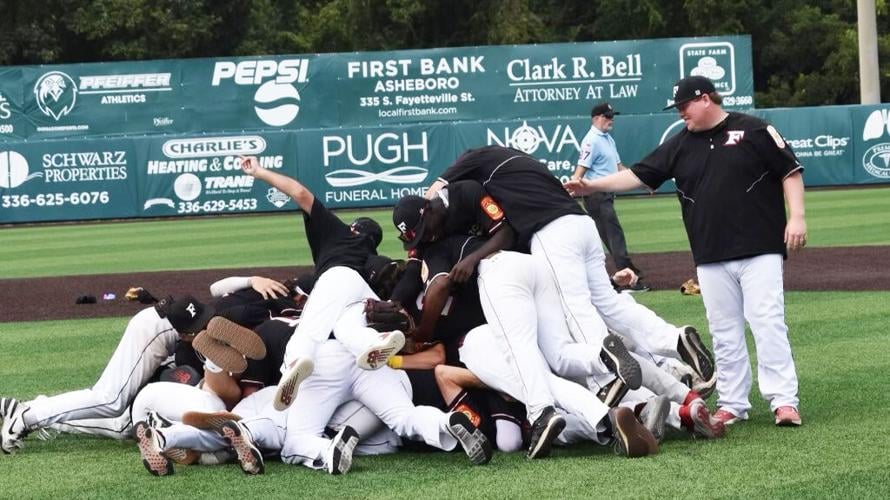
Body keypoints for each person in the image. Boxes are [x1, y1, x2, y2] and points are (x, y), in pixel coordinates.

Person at [565, 75, 806, 427]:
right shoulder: (680, 145)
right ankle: (733, 403)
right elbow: (636, 175)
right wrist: (590, 185)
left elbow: (789, 170)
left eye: (684, 105)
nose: (680, 113)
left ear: (706, 99)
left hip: (760, 248)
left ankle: (783, 400)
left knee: (767, 322)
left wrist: (797, 216)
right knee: (723, 330)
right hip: (709, 253)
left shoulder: (752, 130)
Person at [239, 156, 405, 411]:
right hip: (364, 293)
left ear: (353, 228)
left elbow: (300, 192)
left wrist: (260, 172)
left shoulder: (340, 233)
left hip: (338, 278)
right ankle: (373, 342)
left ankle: (293, 364)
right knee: (346, 328)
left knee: (309, 329)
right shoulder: (370, 254)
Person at [571, 102, 647, 292]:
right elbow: (582, 167)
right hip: (596, 195)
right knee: (614, 236)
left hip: (605, 194)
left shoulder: (607, 138)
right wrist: (574, 185)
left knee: (609, 236)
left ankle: (624, 275)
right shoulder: (592, 140)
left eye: (612, 116)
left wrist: (642, 181)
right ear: (596, 118)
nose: (611, 120)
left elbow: (619, 167)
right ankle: (629, 277)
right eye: (607, 117)